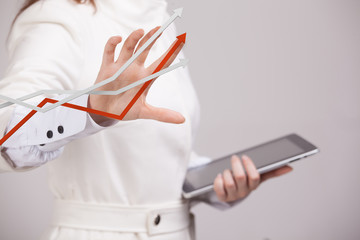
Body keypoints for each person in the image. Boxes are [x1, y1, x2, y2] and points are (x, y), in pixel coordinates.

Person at [0, 0, 292, 239]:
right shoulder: (57, 16)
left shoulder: (159, 17)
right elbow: (7, 131)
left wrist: (215, 185)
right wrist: (92, 109)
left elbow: (150, 153)